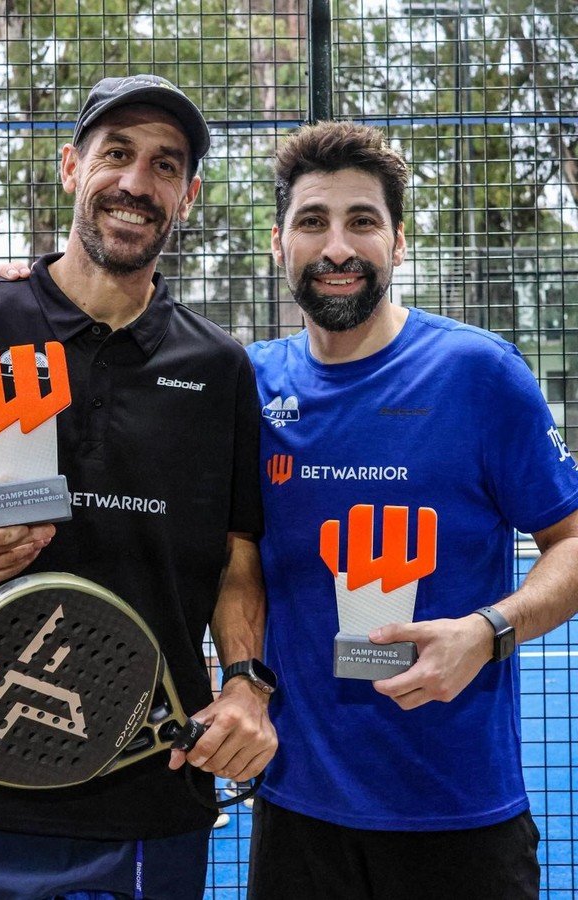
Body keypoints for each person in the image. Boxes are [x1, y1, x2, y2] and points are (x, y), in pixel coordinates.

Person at [0, 74, 277, 900]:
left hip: (150, 785)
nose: (136, 182)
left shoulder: (220, 368)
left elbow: (236, 555)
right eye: (116, 154)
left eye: (166, 166)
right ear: (70, 168)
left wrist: (246, 683)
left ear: (188, 196)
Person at [242, 120, 578, 899]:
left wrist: (486, 632)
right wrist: (24, 300)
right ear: (278, 243)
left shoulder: (478, 373)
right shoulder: (247, 386)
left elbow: (571, 541)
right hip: (298, 813)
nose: (337, 247)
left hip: (460, 815)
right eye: (312, 222)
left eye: (362, 221)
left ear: (398, 243)